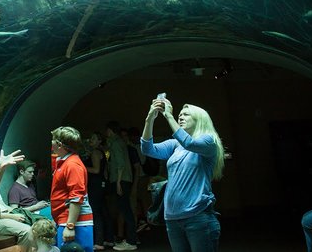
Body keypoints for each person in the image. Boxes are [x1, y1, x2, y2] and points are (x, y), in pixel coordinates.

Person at [140, 97, 225, 252]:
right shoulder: (175, 145)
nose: (180, 116)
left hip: (197, 216)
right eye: (179, 114)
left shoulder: (209, 141)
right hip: (172, 218)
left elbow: (190, 144)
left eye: (186, 114)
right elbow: (147, 149)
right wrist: (150, 118)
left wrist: (169, 116)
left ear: (199, 120)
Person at [50, 126, 95, 252]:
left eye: (53, 140)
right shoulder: (65, 162)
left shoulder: (72, 165)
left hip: (75, 223)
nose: (51, 143)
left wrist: (70, 226)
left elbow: (76, 197)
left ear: (59, 144)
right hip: (66, 220)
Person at [105, 121, 139, 250]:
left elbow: (120, 164)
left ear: (110, 131)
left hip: (121, 180)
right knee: (126, 209)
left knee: (126, 210)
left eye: (107, 131)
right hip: (124, 180)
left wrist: (118, 182)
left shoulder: (115, 143)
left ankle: (131, 241)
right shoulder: (120, 143)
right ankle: (132, 239)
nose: (106, 134)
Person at [83, 131, 115, 250]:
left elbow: (96, 170)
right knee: (104, 212)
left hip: (95, 185)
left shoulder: (95, 152)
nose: (91, 140)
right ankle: (109, 239)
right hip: (101, 185)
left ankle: (99, 242)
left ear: (99, 141)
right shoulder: (101, 152)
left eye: (93, 138)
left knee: (96, 213)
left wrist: (82, 166)